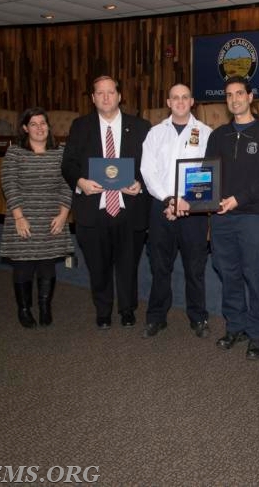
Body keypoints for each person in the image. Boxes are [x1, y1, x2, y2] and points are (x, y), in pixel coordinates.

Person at [61, 76, 151, 330]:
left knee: (127, 265)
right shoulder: (80, 127)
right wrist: (80, 182)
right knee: (97, 265)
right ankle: (103, 310)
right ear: (92, 98)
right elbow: (68, 164)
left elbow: (152, 165)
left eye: (110, 92)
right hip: (93, 208)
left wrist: (140, 183)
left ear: (119, 96)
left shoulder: (141, 127)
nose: (106, 97)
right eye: (99, 93)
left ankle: (127, 309)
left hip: (128, 208)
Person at [204, 75, 259, 360]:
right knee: (228, 273)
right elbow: (206, 175)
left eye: (239, 93)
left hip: (254, 218)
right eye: (229, 95)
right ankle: (235, 325)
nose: (234, 99)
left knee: (255, 274)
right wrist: (202, 200)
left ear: (250, 97)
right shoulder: (217, 136)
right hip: (222, 218)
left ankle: (258, 334)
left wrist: (239, 199)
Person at [139, 84, 213, 339]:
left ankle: (198, 317)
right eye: (175, 98)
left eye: (185, 97)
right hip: (162, 210)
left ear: (192, 101)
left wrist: (185, 203)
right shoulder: (154, 134)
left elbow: (207, 173)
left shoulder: (205, 134)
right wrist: (169, 200)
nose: (180, 102)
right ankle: (156, 317)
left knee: (195, 268)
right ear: (168, 102)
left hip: (194, 212)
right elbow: (148, 171)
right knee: (160, 267)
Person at [0, 107, 73, 328]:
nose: (39, 128)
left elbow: (67, 184)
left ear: (48, 126)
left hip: (51, 216)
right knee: (23, 266)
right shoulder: (15, 153)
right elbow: (9, 185)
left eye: (43, 123)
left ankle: (44, 306)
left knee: (47, 266)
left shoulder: (61, 151)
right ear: (25, 128)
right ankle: (24, 309)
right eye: (34, 124)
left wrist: (63, 214)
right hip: (23, 216)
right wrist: (19, 217)